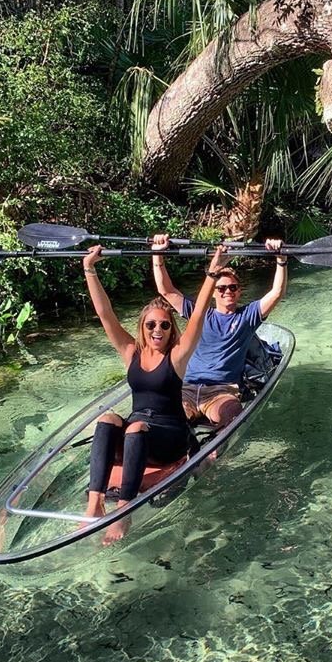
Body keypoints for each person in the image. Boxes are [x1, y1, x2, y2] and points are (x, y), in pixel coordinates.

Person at [82, 241, 229, 544]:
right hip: (139, 432)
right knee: (108, 418)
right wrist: (89, 269)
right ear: (143, 327)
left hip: (170, 437)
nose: (157, 330)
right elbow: (105, 313)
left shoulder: (177, 356)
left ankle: (124, 513)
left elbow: (199, 314)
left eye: (164, 324)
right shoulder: (130, 351)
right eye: (151, 325)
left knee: (135, 426)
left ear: (171, 329)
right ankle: (93, 505)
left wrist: (212, 274)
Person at [152, 233, 287, 428]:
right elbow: (166, 290)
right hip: (187, 388)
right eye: (222, 288)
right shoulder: (199, 312)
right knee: (168, 417)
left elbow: (276, 293)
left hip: (221, 391)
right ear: (213, 292)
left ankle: (213, 455)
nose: (227, 292)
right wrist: (158, 255)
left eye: (233, 287)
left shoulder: (247, 316)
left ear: (240, 291)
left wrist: (281, 260)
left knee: (233, 417)